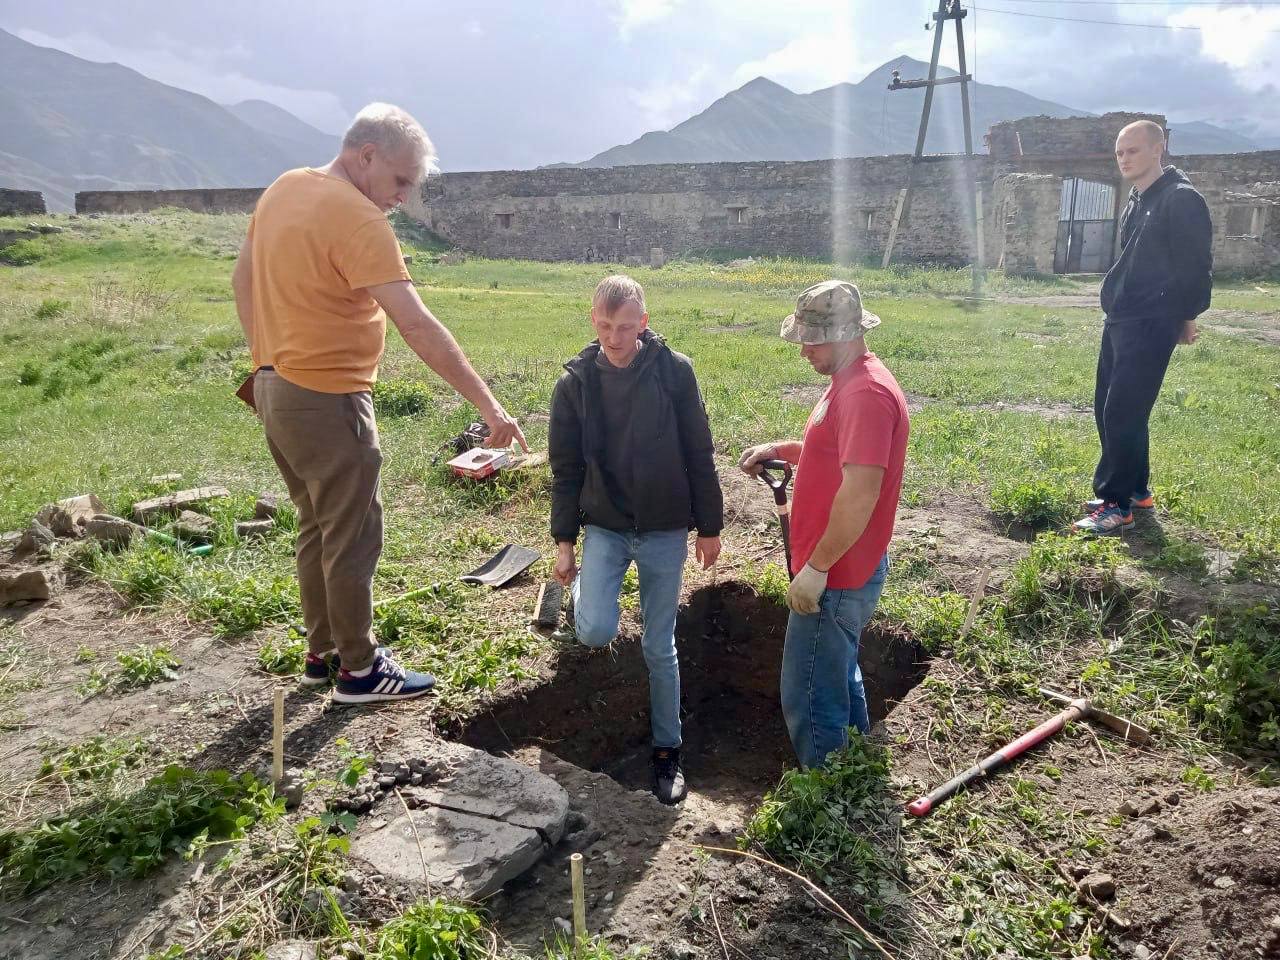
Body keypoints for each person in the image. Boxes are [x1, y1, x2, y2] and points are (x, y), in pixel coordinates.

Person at [231, 102, 527, 704]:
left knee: (317, 524)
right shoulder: (358, 219)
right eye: (400, 181)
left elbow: (242, 280)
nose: (402, 197)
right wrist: (490, 407)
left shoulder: (285, 189)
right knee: (353, 533)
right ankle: (360, 670)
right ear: (366, 156)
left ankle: (324, 653)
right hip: (328, 396)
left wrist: (269, 354)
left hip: (274, 385)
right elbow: (417, 326)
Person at [548, 275, 723, 804]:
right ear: (592, 319)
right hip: (605, 524)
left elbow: (699, 451)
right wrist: (564, 542)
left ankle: (668, 752)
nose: (614, 338)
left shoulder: (674, 374)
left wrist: (709, 525)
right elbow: (566, 468)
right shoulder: (575, 384)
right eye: (604, 326)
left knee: (657, 644)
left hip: (665, 529)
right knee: (597, 631)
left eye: (625, 327)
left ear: (643, 324)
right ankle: (581, 596)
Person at [739, 281, 909, 769]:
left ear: (843, 333)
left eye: (812, 341)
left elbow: (860, 492)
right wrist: (780, 450)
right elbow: (834, 455)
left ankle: (824, 790)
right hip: (842, 567)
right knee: (838, 672)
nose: (804, 351)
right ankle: (851, 765)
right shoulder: (850, 383)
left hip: (837, 573)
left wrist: (816, 569)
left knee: (810, 691)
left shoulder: (866, 394)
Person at [1075, 119, 1213, 536]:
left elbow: (1195, 266)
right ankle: (1135, 489)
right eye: (1119, 152)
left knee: (1123, 409)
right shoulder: (1138, 200)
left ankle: (1116, 505)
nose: (1124, 158)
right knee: (1108, 405)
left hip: (1153, 320)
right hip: (1121, 315)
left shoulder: (1181, 199)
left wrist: (1186, 315)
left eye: (1132, 150)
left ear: (1159, 148)